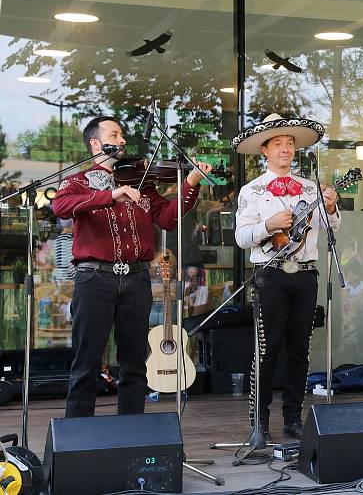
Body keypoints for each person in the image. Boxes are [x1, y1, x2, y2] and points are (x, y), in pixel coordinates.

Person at [52, 116, 211, 418]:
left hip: (137, 279)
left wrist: (189, 184)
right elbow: (60, 207)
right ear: (96, 143)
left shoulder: (141, 181)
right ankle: (78, 438)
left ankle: (130, 434)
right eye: (115, 134)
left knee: (135, 362)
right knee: (86, 362)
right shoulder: (78, 182)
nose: (123, 140)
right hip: (95, 278)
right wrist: (112, 195)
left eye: (122, 135)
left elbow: (167, 218)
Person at [233, 113, 340, 440]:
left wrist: (333, 207)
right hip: (271, 275)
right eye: (278, 143)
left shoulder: (311, 188)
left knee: (300, 348)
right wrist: (268, 225)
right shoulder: (252, 190)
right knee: (267, 348)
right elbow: (241, 237)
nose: (286, 149)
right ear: (264, 150)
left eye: (290, 143)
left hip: (306, 275)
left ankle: (293, 417)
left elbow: (331, 228)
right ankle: (259, 421)